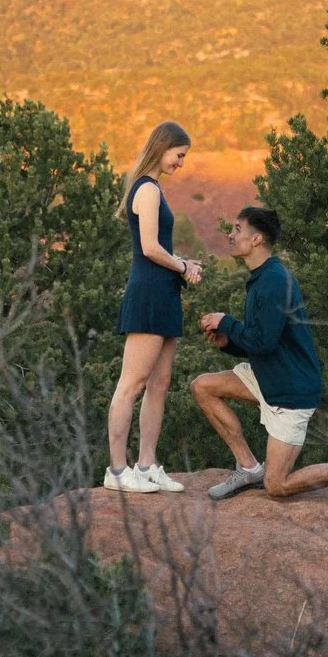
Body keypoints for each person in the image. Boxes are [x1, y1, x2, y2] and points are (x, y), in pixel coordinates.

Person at [192, 204, 328, 502]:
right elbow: (262, 340)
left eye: (237, 229)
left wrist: (227, 322)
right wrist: (229, 342)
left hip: (290, 390)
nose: (230, 235)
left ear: (257, 239)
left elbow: (263, 342)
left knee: (277, 486)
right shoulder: (262, 276)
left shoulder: (274, 280)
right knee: (203, 386)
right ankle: (248, 468)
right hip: (268, 377)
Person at [104, 121, 202, 493]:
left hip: (164, 293)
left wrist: (180, 265)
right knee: (132, 384)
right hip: (148, 292)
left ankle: (146, 466)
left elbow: (157, 247)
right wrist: (183, 265)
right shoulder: (146, 190)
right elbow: (148, 247)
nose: (181, 163)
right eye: (180, 155)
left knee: (159, 384)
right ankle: (116, 472)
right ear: (164, 147)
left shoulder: (154, 188)